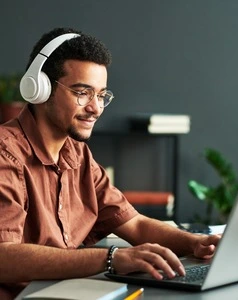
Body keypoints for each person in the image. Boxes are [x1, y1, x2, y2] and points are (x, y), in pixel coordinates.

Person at [0, 27, 221, 299]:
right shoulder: (5, 154)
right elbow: (3, 256)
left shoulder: (78, 154)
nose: (96, 107)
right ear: (40, 88)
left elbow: (135, 224)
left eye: (101, 95)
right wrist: (111, 258)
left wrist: (196, 243)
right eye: (82, 92)